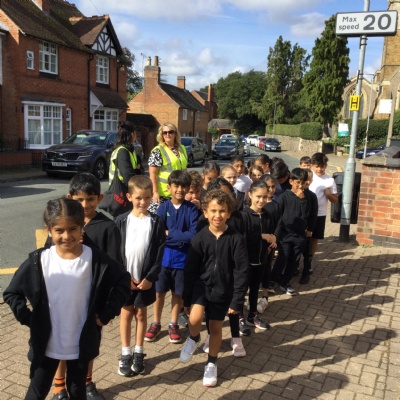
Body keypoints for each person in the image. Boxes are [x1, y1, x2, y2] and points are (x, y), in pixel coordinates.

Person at [4, 198, 130, 400]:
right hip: (46, 345)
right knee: (36, 392)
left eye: (73, 229)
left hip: (80, 345)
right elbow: (11, 293)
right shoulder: (40, 260)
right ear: (49, 230)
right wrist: (30, 319)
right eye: (59, 230)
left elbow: (123, 281)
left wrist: (105, 314)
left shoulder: (95, 259)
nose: (66, 236)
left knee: (78, 391)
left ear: (82, 228)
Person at [50, 173, 122, 400]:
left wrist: (107, 308)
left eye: (90, 199)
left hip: (92, 300)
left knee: (88, 345)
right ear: (70, 198)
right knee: (60, 342)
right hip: (63, 297)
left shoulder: (107, 227)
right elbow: (48, 257)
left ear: (99, 198)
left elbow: (115, 267)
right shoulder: (63, 225)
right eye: (79, 199)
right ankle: (59, 386)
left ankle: (87, 382)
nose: (85, 205)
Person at [180, 189, 248, 387]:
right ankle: (194, 338)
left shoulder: (236, 239)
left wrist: (237, 300)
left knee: (215, 327)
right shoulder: (199, 238)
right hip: (201, 287)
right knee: (194, 319)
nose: (218, 215)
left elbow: (241, 271)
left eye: (222, 211)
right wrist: (186, 298)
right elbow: (190, 270)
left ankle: (211, 363)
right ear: (205, 212)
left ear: (229, 213)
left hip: (223, 290)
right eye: (213, 210)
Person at [114, 176, 166, 377]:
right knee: (126, 314)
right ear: (129, 197)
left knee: (142, 314)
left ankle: (138, 351)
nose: (143, 202)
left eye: (147, 197)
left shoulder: (156, 222)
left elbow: (159, 252)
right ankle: (125, 352)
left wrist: (151, 277)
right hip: (125, 279)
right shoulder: (121, 221)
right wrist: (123, 277)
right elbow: (115, 253)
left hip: (145, 280)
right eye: (138, 198)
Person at [144, 170, 198, 344]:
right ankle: (156, 322)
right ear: (168, 187)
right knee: (159, 293)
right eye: (176, 186)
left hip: (182, 260)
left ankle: (173, 324)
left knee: (177, 293)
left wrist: (170, 234)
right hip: (163, 259)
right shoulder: (163, 208)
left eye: (184, 186)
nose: (180, 190)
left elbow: (192, 235)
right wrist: (178, 237)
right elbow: (158, 234)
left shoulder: (192, 209)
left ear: (188, 188)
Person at [198, 177, 249, 353]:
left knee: (234, 307)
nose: (227, 199)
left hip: (231, 273)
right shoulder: (203, 222)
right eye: (222, 194)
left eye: (229, 195)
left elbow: (242, 242)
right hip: (211, 276)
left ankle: (236, 337)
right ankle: (210, 335)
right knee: (211, 311)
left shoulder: (238, 218)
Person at [241, 181, 277, 329]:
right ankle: (239, 318)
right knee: (241, 290)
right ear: (250, 194)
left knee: (255, 288)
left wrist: (273, 241)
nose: (261, 200)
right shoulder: (243, 216)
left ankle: (252, 315)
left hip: (261, 259)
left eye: (264, 197)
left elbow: (272, 233)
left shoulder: (268, 215)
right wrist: (261, 236)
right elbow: (241, 238)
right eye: (258, 196)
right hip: (245, 261)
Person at [270, 168, 309, 296]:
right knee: (283, 257)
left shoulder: (306, 197)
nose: (300, 186)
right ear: (291, 181)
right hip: (285, 234)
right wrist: (276, 234)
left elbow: (307, 215)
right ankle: (272, 279)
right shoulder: (284, 197)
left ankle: (285, 281)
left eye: (303, 183)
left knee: (294, 260)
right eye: (298, 183)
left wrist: (302, 200)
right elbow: (278, 216)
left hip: (299, 235)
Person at [178, 170, 204, 328]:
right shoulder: (180, 207)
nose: (194, 196)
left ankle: (193, 306)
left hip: (197, 251)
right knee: (182, 282)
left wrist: (201, 210)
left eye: (197, 192)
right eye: (190, 192)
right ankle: (181, 310)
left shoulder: (201, 207)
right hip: (182, 251)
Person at [148, 122, 188, 213]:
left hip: (179, 193)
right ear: (161, 135)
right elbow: (152, 174)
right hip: (164, 194)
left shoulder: (182, 148)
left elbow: (185, 170)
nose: (167, 134)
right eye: (164, 132)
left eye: (170, 132)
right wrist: (155, 192)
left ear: (175, 134)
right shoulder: (158, 151)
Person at [308, 153, 338, 273]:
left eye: (322, 166)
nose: (319, 169)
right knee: (303, 238)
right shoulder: (307, 176)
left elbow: (335, 200)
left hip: (320, 214)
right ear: (311, 165)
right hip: (305, 213)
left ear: (326, 165)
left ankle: (309, 261)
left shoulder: (330, 180)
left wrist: (328, 194)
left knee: (314, 238)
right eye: (317, 166)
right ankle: (296, 261)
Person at [107, 121, 142, 217]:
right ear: (132, 134)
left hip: (126, 192)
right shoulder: (122, 151)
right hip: (121, 194)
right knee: (122, 222)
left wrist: (137, 170)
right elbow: (128, 176)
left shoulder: (129, 150)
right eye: (135, 133)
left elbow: (137, 168)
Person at [299, 169, 318, 284]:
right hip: (295, 228)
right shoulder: (293, 194)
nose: (305, 182)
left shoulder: (312, 196)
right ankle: (294, 269)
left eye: (308, 180)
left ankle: (306, 273)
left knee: (307, 252)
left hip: (306, 228)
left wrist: (310, 229)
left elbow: (313, 214)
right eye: (303, 180)